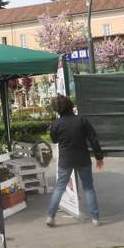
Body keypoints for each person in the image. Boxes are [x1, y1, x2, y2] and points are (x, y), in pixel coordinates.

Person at [46, 95, 104, 227]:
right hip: (83, 158)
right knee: (88, 188)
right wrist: (99, 157)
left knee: (60, 187)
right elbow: (93, 139)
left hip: (65, 159)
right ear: (70, 105)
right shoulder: (82, 120)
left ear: (56, 109)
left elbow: (54, 140)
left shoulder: (55, 124)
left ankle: (51, 216)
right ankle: (95, 218)